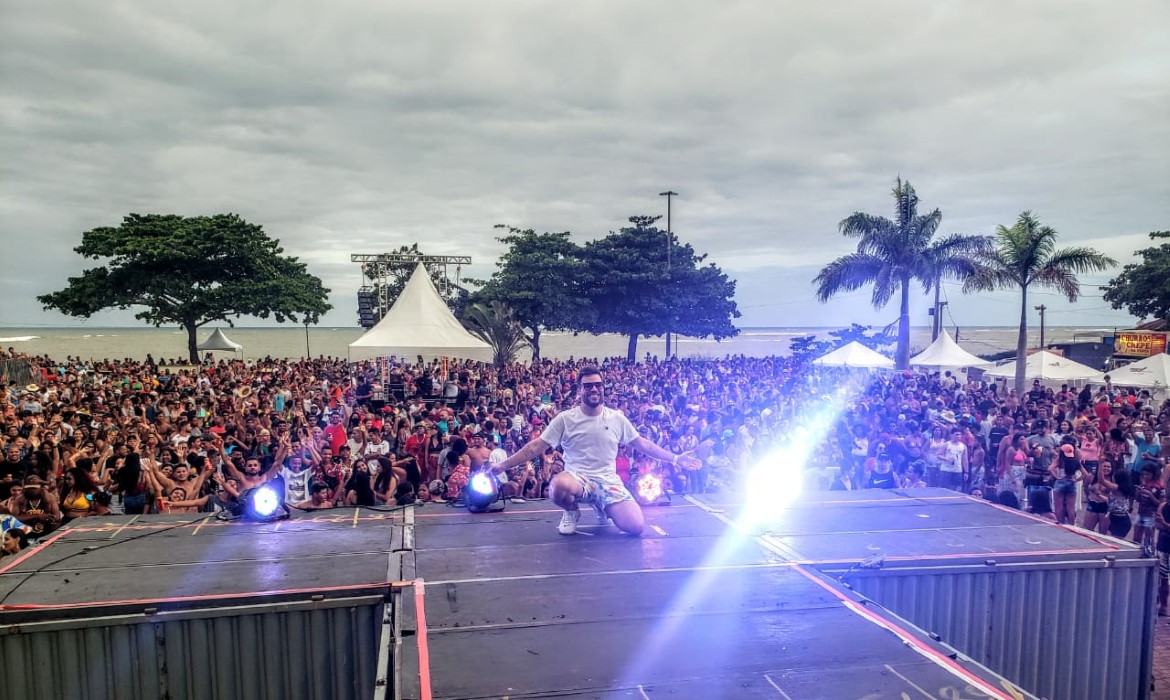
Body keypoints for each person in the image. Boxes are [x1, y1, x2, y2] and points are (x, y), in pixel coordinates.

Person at [491, 366, 699, 536]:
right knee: (558, 486)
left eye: (597, 385)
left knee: (636, 527)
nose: (593, 389)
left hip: (608, 481)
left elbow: (643, 444)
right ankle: (571, 511)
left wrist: (675, 458)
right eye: (588, 386)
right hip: (578, 479)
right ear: (580, 390)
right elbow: (535, 447)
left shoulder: (616, 418)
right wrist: (502, 465)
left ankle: (601, 505)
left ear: (603, 388)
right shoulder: (565, 419)